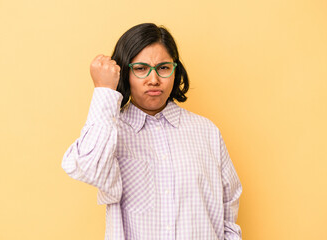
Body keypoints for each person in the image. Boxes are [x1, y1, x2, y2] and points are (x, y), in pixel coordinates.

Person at [62, 23, 242, 240]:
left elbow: (228, 206)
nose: (154, 79)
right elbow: (89, 169)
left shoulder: (207, 132)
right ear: (124, 73)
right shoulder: (111, 131)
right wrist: (104, 91)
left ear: (175, 71)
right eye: (140, 68)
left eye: (164, 68)